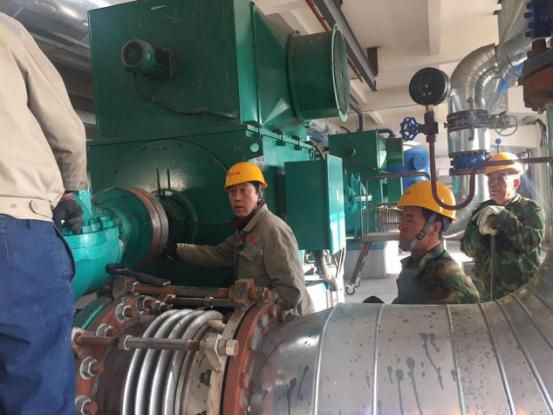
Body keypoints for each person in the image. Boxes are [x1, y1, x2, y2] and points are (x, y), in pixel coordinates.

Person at [0, 13, 87, 414]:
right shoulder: (6, 28)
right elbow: (67, 131)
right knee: (36, 387)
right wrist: (70, 187)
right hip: (14, 224)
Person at [172, 161, 314, 316]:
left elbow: (291, 292)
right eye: (232, 192)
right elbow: (217, 254)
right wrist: (177, 250)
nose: (237, 198)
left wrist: (255, 295)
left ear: (258, 194)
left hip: (291, 320)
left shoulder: (272, 229)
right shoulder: (245, 230)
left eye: (243, 190)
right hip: (263, 315)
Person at [461, 152, 545, 300]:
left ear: (515, 183)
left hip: (520, 292)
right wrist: (478, 234)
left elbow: (530, 242)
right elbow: (468, 249)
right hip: (485, 292)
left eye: (501, 178)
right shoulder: (481, 210)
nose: (493, 183)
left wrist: (504, 217)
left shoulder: (530, 209)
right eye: (491, 179)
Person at [392, 180, 480, 305]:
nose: (400, 226)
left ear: (434, 228)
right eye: (402, 219)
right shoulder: (416, 265)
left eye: (410, 220)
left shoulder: (448, 280)